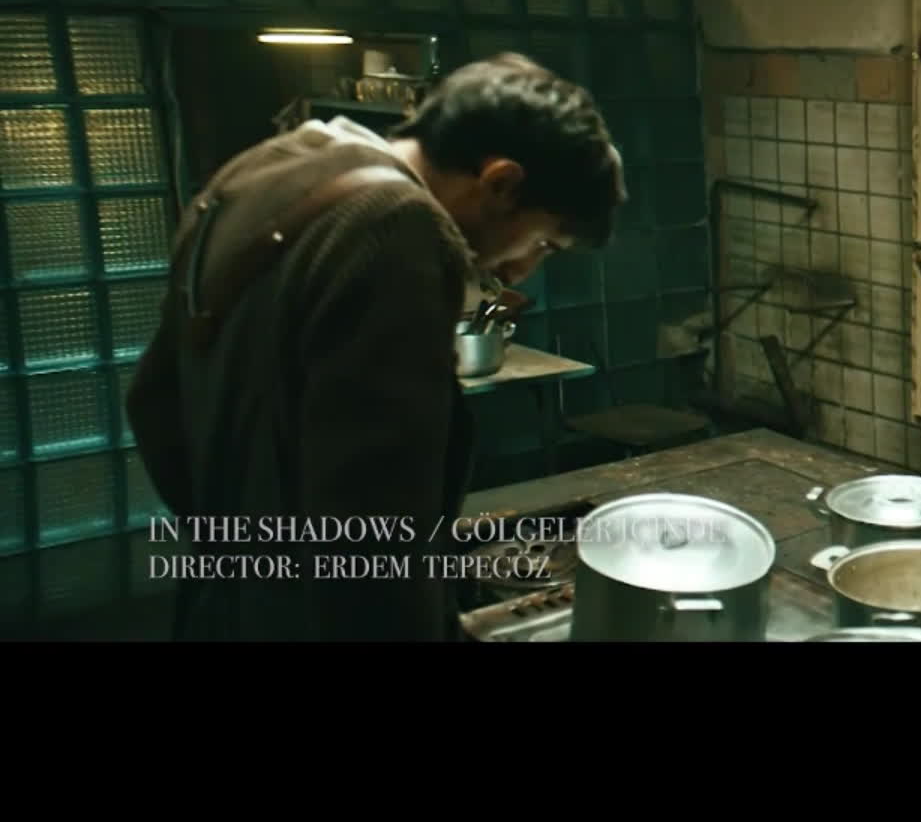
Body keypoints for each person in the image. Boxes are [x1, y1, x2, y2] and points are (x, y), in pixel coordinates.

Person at [125, 52, 625, 641]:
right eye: (543, 243)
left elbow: (153, 403)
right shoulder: (398, 230)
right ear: (501, 183)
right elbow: (376, 528)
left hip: (225, 604)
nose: (521, 270)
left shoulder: (265, 169)